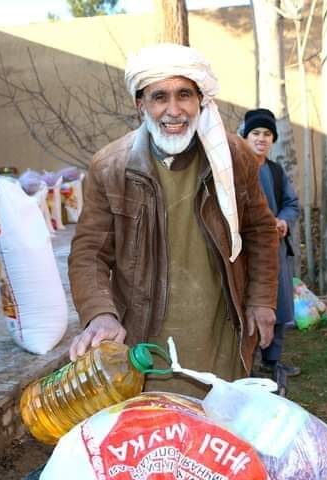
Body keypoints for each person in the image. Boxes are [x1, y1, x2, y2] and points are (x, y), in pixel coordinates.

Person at [68, 43, 279, 397]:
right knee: (156, 439)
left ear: (200, 100)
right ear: (141, 104)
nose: (174, 109)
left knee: (215, 432)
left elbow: (259, 230)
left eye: (184, 94)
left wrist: (261, 299)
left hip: (219, 328)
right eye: (159, 97)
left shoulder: (232, 157)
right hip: (144, 337)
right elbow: (89, 251)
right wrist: (100, 314)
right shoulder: (111, 166)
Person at [241, 108, 301, 377]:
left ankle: (272, 362)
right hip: (244, 252)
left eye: (267, 134)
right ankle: (246, 363)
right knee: (249, 304)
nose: (261, 139)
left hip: (275, 251)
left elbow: (291, 203)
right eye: (255, 133)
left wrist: (283, 221)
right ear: (245, 136)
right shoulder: (236, 170)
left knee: (278, 304)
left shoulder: (276, 172)